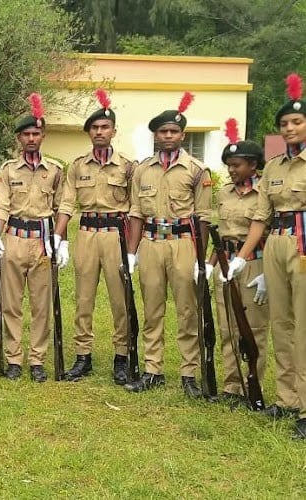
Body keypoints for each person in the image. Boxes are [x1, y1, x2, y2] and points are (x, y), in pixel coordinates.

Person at [227, 73, 306, 439]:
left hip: (304, 244)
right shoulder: (273, 167)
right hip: (276, 243)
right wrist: (243, 258)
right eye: (284, 124)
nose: (289, 128)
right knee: (282, 325)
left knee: (304, 327)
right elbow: (261, 216)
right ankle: (288, 399)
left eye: (296, 122)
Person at [124, 92, 213, 397]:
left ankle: (188, 373)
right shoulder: (142, 170)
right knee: (152, 308)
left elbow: (203, 217)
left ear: (182, 135)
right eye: (163, 131)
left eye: (173, 131)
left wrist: (202, 261)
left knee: (187, 310)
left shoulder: (197, 171)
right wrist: (131, 253)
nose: (168, 136)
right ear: (156, 135)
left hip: (183, 243)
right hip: (150, 241)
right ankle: (153, 370)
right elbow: (135, 211)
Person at [54, 89, 134, 384]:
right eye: (95, 128)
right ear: (89, 133)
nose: (100, 132)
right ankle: (82, 356)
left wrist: (134, 249)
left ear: (114, 131)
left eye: (105, 127)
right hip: (87, 233)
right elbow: (66, 204)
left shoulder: (127, 167)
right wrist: (59, 237)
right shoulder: (77, 166)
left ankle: (122, 357)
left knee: (119, 299)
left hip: (116, 235)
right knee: (83, 298)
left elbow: (135, 208)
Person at [0, 95, 64, 383]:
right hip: (14, 238)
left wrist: (61, 240)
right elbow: (2, 205)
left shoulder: (55, 170)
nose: (31, 138)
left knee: (41, 303)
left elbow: (61, 207)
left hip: (43, 241)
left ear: (42, 136)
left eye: (36, 133)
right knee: (11, 303)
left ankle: (37, 359)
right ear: (19, 138)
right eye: (26, 134)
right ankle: (13, 358)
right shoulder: (8, 170)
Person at [205, 119, 269, 405]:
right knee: (228, 326)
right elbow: (221, 234)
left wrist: (266, 271)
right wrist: (210, 263)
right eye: (229, 165)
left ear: (253, 165)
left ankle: (254, 384)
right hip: (225, 262)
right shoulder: (224, 193)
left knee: (253, 328)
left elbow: (268, 231)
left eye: (238, 165)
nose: (232, 170)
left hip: (253, 264)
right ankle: (232, 386)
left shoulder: (265, 192)